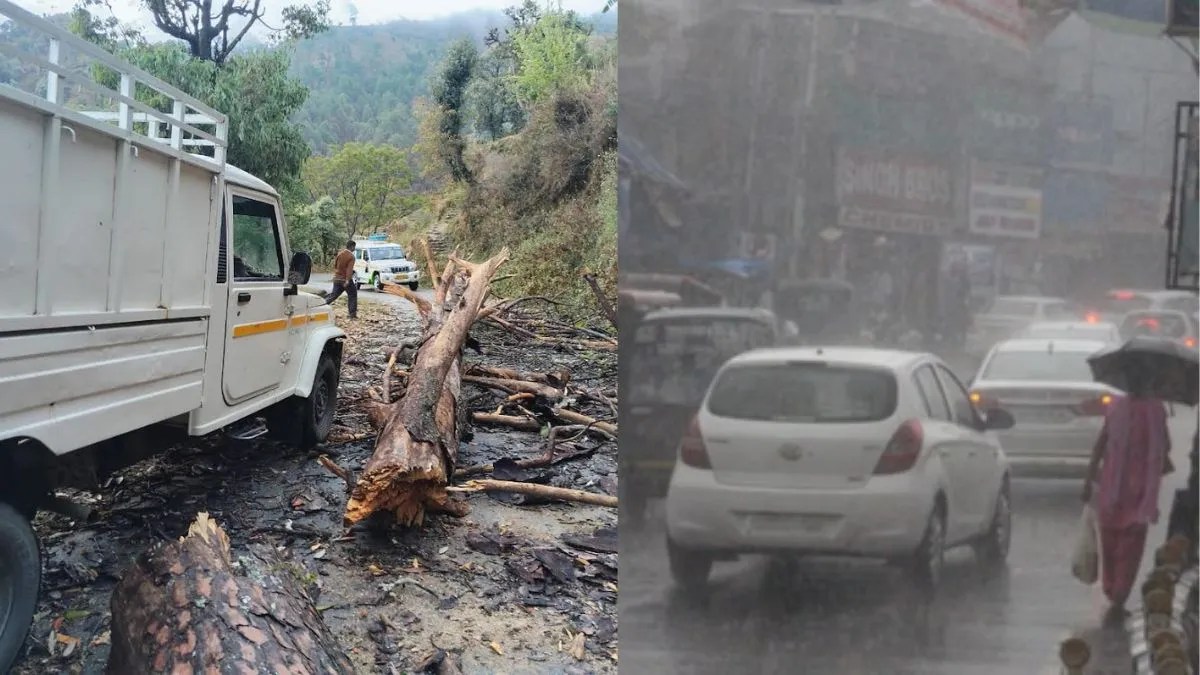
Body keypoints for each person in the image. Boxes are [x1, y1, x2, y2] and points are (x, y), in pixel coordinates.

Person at [1082, 365, 1173, 615]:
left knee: (1110, 543)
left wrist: (1088, 479)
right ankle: (1119, 595)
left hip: (1112, 488)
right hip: (1140, 490)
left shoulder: (1116, 406)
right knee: (1129, 547)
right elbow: (1162, 449)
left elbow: (1101, 444)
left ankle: (1112, 591)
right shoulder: (1156, 410)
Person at [324, 240, 358, 319]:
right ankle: (352, 314)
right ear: (352, 246)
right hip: (344, 280)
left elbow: (335, 265)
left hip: (337, 278)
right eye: (354, 247)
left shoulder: (340, 254)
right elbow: (349, 270)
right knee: (352, 294)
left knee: (333, 295)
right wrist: (347, 280)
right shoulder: (351, 256)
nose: (354, 249)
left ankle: (320, 305)